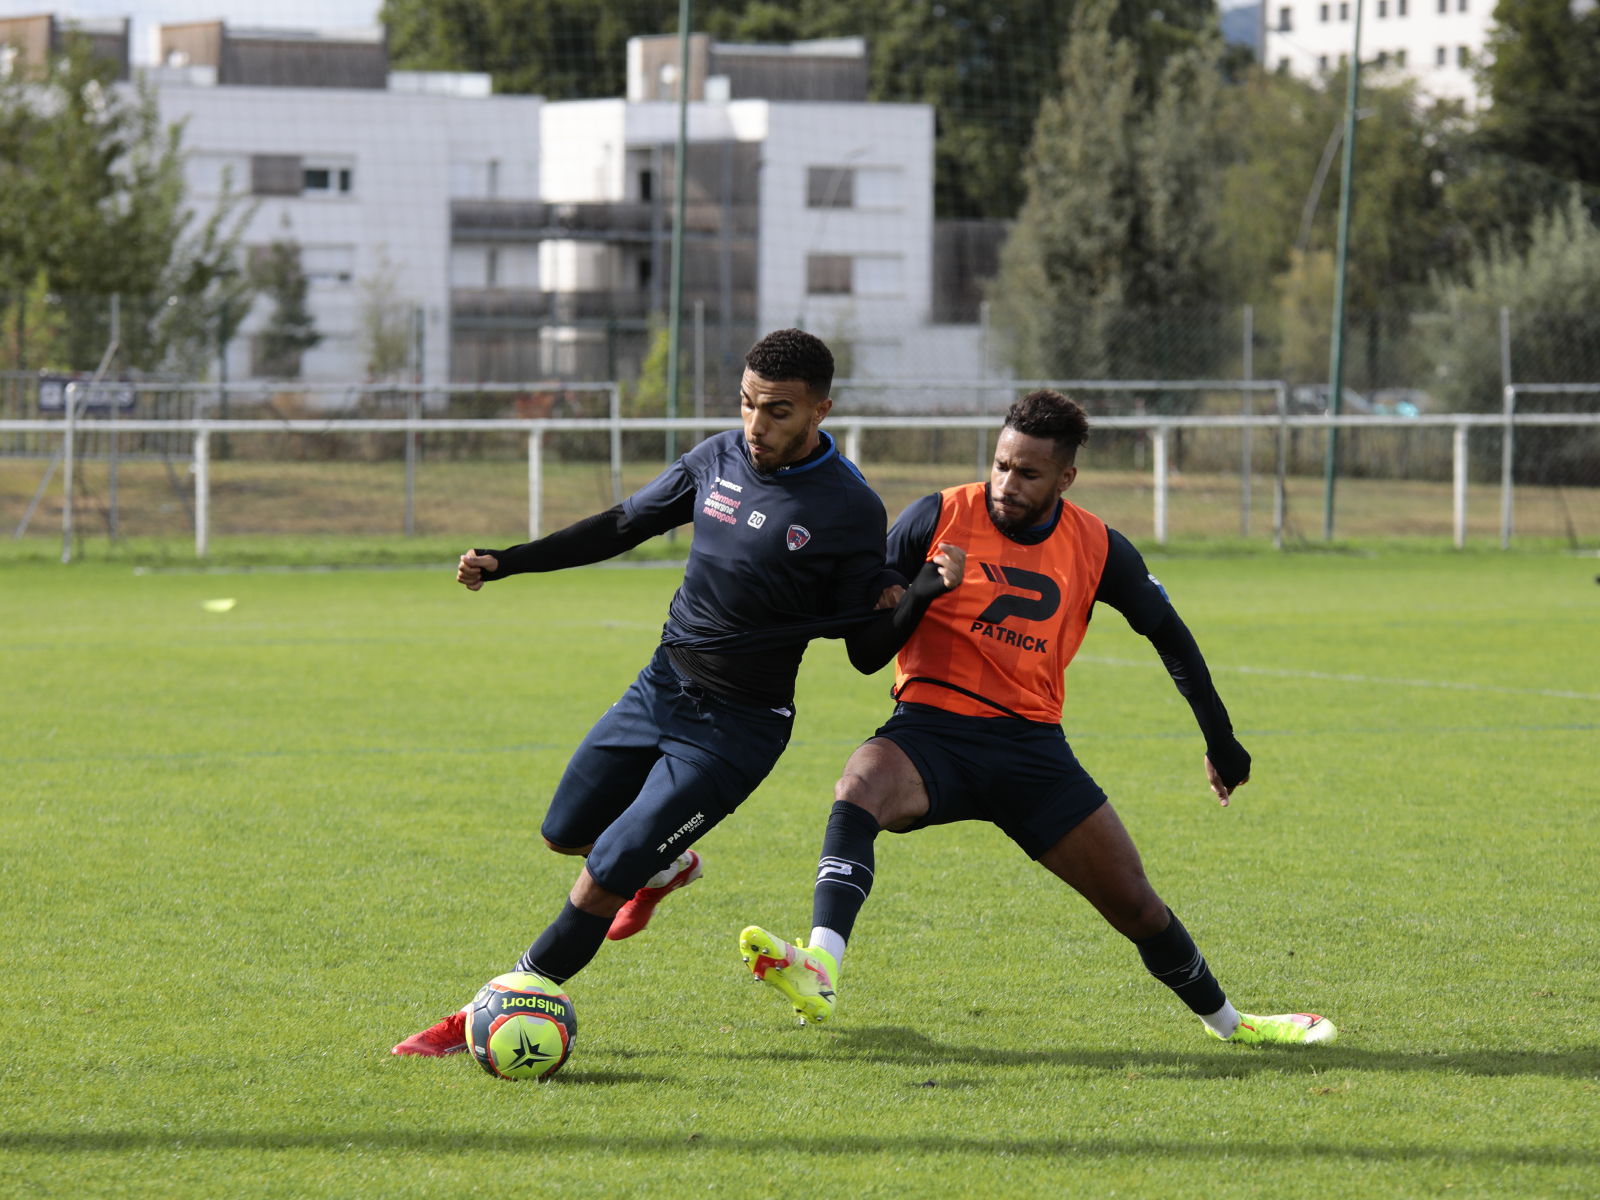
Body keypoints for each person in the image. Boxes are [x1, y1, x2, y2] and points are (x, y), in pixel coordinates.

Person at [393, 328, 963, 1057]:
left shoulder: (849, 507)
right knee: (564, 832)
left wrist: (919, 595)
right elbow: (623, 525)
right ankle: (666, 866)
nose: (758, 425)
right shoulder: (717, 458)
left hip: (737, 730)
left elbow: (863, 651)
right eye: (749, 404)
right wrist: (512, 561)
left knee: (603, 876)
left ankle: (490, 1009)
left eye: (780, 411)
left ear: (822, 409)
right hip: (660, 686)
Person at [738, 389, 1336, 1047]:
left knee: (1135, 904)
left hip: (1031, 750)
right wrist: (918, 596)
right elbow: (865, 652)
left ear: (1065, 477)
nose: (1006, 484)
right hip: (930, 730)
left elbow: (1169, 634)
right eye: (1000, 464)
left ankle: (1234, 1025)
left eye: (1027, 474)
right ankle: (820, 965)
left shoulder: (1097, 546)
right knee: (859, 784)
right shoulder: (936, 516)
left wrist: (1220, 739)